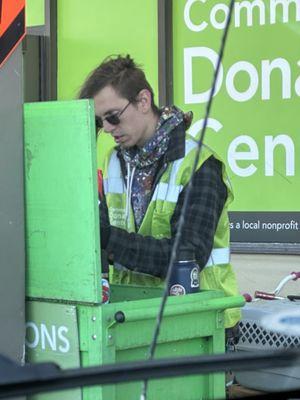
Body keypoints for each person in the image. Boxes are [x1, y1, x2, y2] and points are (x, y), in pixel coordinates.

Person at [79, 54, 241, 329]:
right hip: (134, 315)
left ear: (143, 101)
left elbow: (186, 258)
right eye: (99, 122)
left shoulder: (199, 164)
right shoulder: (113, 162)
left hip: (201, 320)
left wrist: (108, 238)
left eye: (113, 117)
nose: (107, 129)